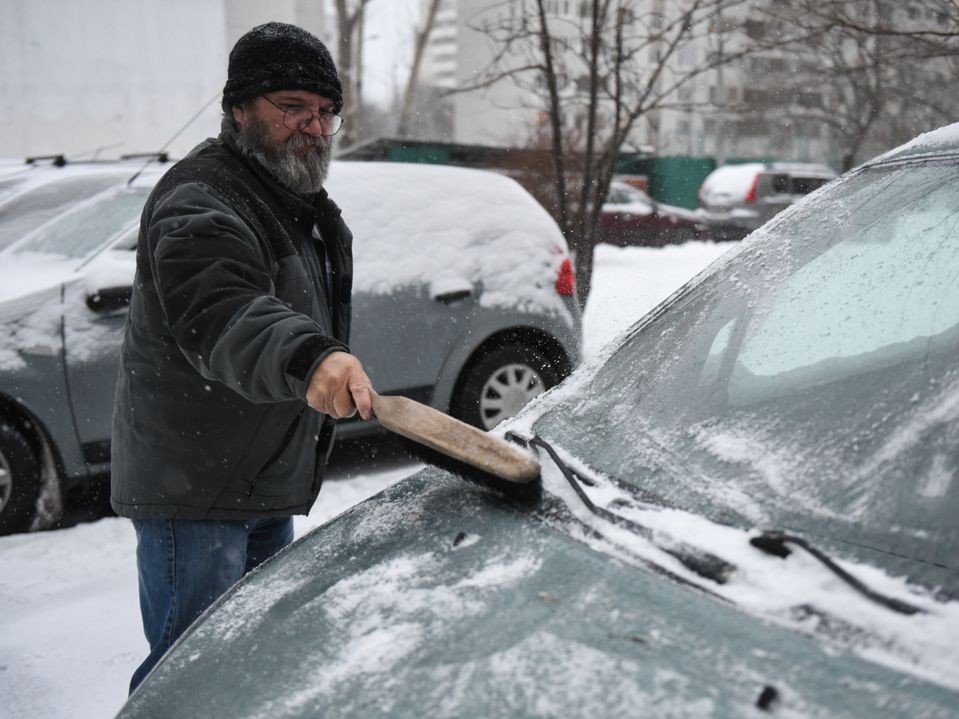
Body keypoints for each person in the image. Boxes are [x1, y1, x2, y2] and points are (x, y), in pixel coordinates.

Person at [110, 22, 373, 693]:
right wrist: (310, 358)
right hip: (196, 488)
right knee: (190, 681)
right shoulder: (202, 197)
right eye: (293, 107)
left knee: (251, 671)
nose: (314, 127)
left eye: (326, 112)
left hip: (256, 477)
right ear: (238, 108)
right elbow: (221, 310)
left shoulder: (290, 202)